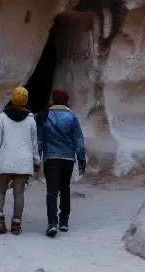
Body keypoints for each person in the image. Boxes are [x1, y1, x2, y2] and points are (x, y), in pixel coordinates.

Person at [0, 86, 40, 235]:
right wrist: (37, 161)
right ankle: (16, 223)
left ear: (12, 98)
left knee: (0, 191)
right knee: (19, 194)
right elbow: (34, 144)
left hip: (5, 160)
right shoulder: (31, 120)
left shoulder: (2, 117)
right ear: (26, 101)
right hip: (23, 162)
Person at [36, 88, 86, 237]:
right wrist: (81, 159)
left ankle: (52, 223)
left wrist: (37, 159)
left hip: (51, 157)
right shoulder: (72, 117)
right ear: (66, 100)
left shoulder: (44, 115)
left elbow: (39, 140)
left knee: (52, 191)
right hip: (68, 159)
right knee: (65, 189)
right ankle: (64, 222)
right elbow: (78, 140)